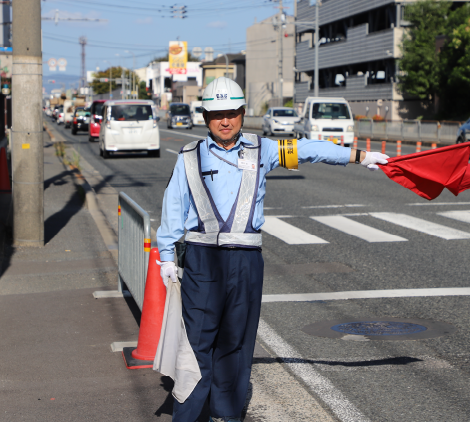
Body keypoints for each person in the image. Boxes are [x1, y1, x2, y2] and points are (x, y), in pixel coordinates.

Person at [156, 77, 388, 422]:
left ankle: (227, 414)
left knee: (236, 341)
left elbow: (308, 149)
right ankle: (188, 416)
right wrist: (166, 257)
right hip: (202, 260)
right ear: (205, 115)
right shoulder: (189, 157)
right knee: (196, 343)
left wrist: (359, 156)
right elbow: (173, 205)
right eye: (217, 113)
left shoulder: (261, 149)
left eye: (232, 113)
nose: (225, 121)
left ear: (243, 113)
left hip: (247, 260)